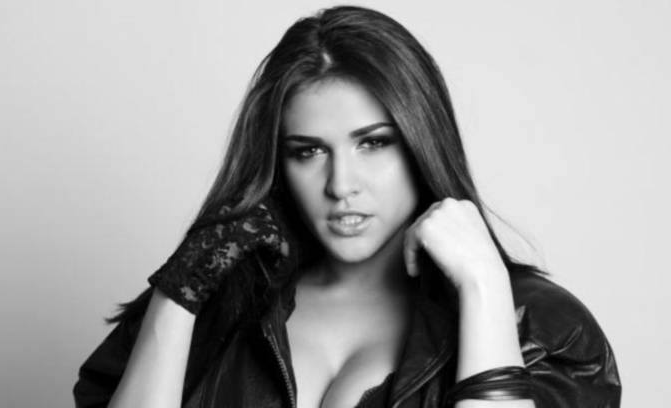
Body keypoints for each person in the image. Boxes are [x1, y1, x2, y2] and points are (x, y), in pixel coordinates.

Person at [73, 5, 621, 408]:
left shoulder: (540, 327)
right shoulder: (221, 305)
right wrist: (179, 292)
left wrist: (483, 286)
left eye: (373, 143)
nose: (341, 184)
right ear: (278, 162)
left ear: (422, 143)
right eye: (308, 151)